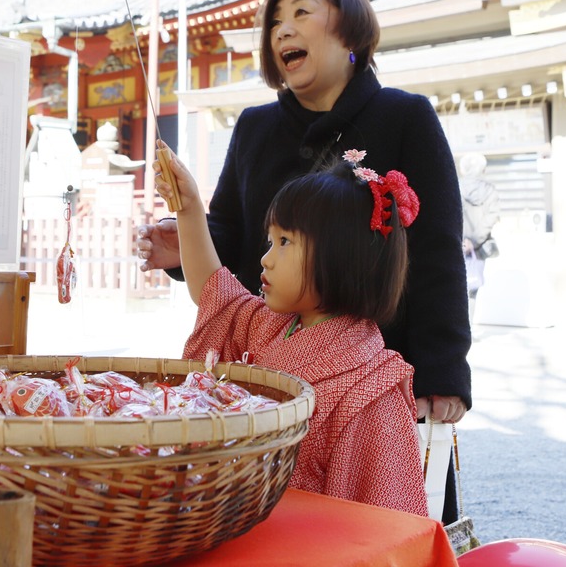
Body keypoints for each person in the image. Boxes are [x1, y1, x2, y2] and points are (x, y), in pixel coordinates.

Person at [137, 0, 470, 521]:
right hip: (273, 350)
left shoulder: (405, 117)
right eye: (273, 21)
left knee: (389, 507)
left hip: (379, 362)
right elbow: (230, 238)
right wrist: (187, 240)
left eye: (300, 12)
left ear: (350, 31)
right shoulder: (254, 127)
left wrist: (442, 369)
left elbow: (436, 250)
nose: (281, 29)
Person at [154, 144, 428, 515]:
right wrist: (188, 209)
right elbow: (214, 292)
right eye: (271, 241)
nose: (266, 258)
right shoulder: (268, 325)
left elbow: (387, 517)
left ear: (341, 258)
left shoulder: (371, 389)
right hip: (233, 524)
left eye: (285, 242)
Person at [458, 152, 500, 298]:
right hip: (478, 248)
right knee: (473, 288)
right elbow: (492, 216)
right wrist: (473, 241)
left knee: (456, 288)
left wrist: (462, 240)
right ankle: (470, 320)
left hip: (456, 246)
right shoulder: (489, 190)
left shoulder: (455, 187)